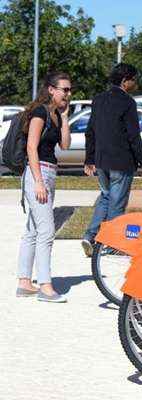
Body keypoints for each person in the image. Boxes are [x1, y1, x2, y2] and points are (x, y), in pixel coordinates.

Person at [81, 63, 142, 256]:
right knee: (117, 204)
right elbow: (133, 135)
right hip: (121, 161)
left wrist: (89, 158)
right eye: (133, 79)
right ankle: (111, 244)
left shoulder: (99, 99)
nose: (135, 83)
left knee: (105, 198)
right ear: (125, 80)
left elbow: (90, 131)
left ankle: (90, 236)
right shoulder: (128, 102)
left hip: (102, 160)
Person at [16, 72, 72, 303]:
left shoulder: (57, 115)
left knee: (32, 231)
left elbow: (65, 145)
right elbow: (31, 147)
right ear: (51, 89)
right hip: (37, 173)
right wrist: (38, 181)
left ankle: (24, 283)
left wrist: (66, 117)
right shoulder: (40, 112)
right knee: (47, 231)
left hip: (50, 173)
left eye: (69, 90)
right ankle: (45, 286)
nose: (68, 94)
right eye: (64, 90)